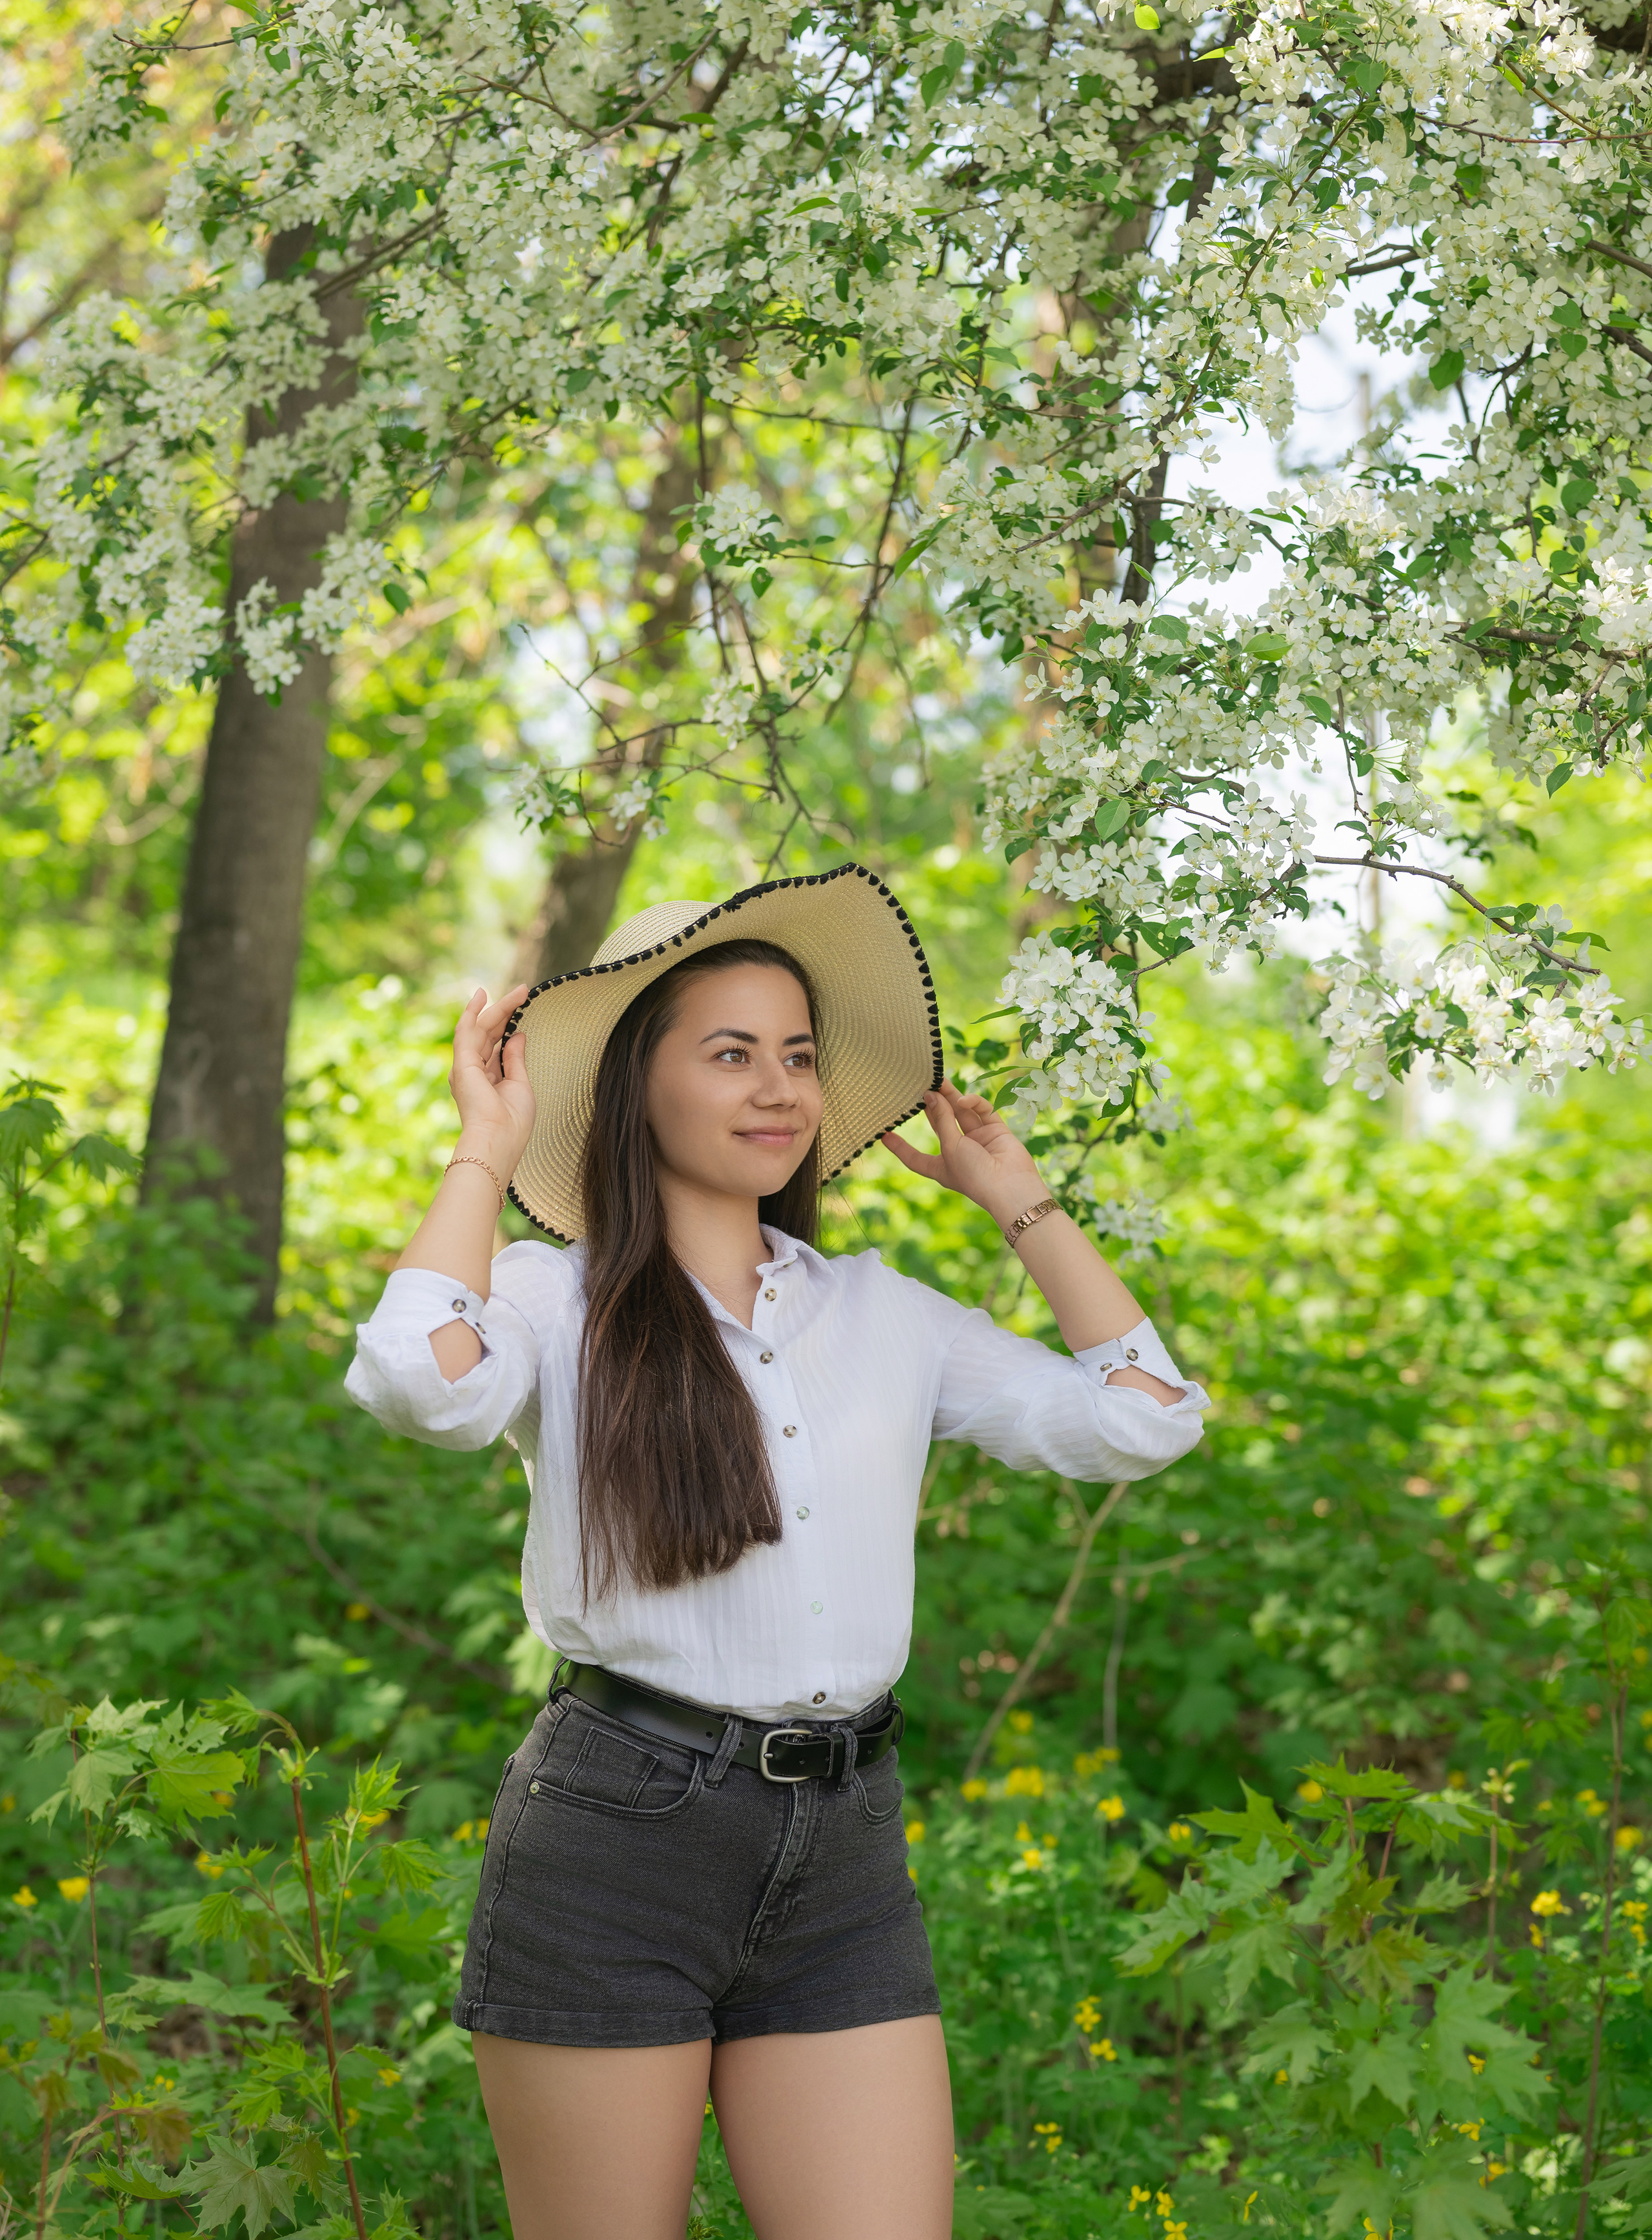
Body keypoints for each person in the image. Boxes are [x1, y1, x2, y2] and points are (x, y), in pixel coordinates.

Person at [345, 865, 1208, 2240]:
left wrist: (1018, 1198)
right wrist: (484, 1152)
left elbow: (1141, 1418)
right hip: (617, 1832)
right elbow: (418, 1383)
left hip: (844, 1850)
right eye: (731, 1053)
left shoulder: (882, 1313)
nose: (779, 1088)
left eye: (798, 1056)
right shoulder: (549, 1297)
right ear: (637, 1086)